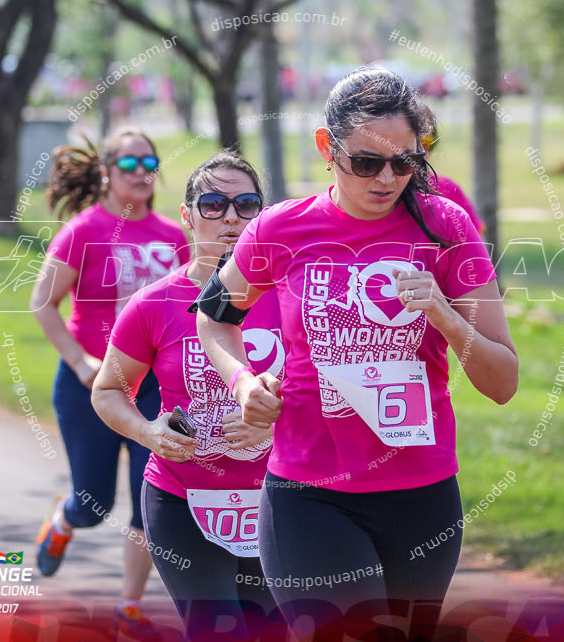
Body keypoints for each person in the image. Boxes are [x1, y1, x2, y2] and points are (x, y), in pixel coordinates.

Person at [196, 67, 519, 640]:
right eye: (367, 162)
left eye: (405, 162)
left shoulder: (446, 227)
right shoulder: (278, 229)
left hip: (422, 493)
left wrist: (444, 314)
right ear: (328, 147)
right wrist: (244, 382)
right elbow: (214, 320)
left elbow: (503, 382)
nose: (387, 178)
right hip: (308, 493)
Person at [92, 151, 286, 640]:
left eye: (246, 204)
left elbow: (329, 394)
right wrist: (147, 431)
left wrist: (277, 417)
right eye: (213, 204)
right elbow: (109, 390)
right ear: (187, 215)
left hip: (280, 501)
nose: (231, 218)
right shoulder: (153, 304)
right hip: (184, 499)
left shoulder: (289, 297)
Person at [29, 127, 189, 638]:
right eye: (129, 165)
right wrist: (81, 363)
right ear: (107, 172)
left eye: (150, 164)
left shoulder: (172, 237)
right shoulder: (83, 231)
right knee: (93, 505)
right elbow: (42, 303)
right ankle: (64, 520)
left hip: (154, 390)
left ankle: (129, 603)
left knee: (150, 498)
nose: (142, 175)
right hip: (89, 386)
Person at [417, 101, 486, 235]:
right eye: (413, 144)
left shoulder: (448, 188)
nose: (420, 152)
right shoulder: (381, 192)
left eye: (426, 143)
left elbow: (475, 242)